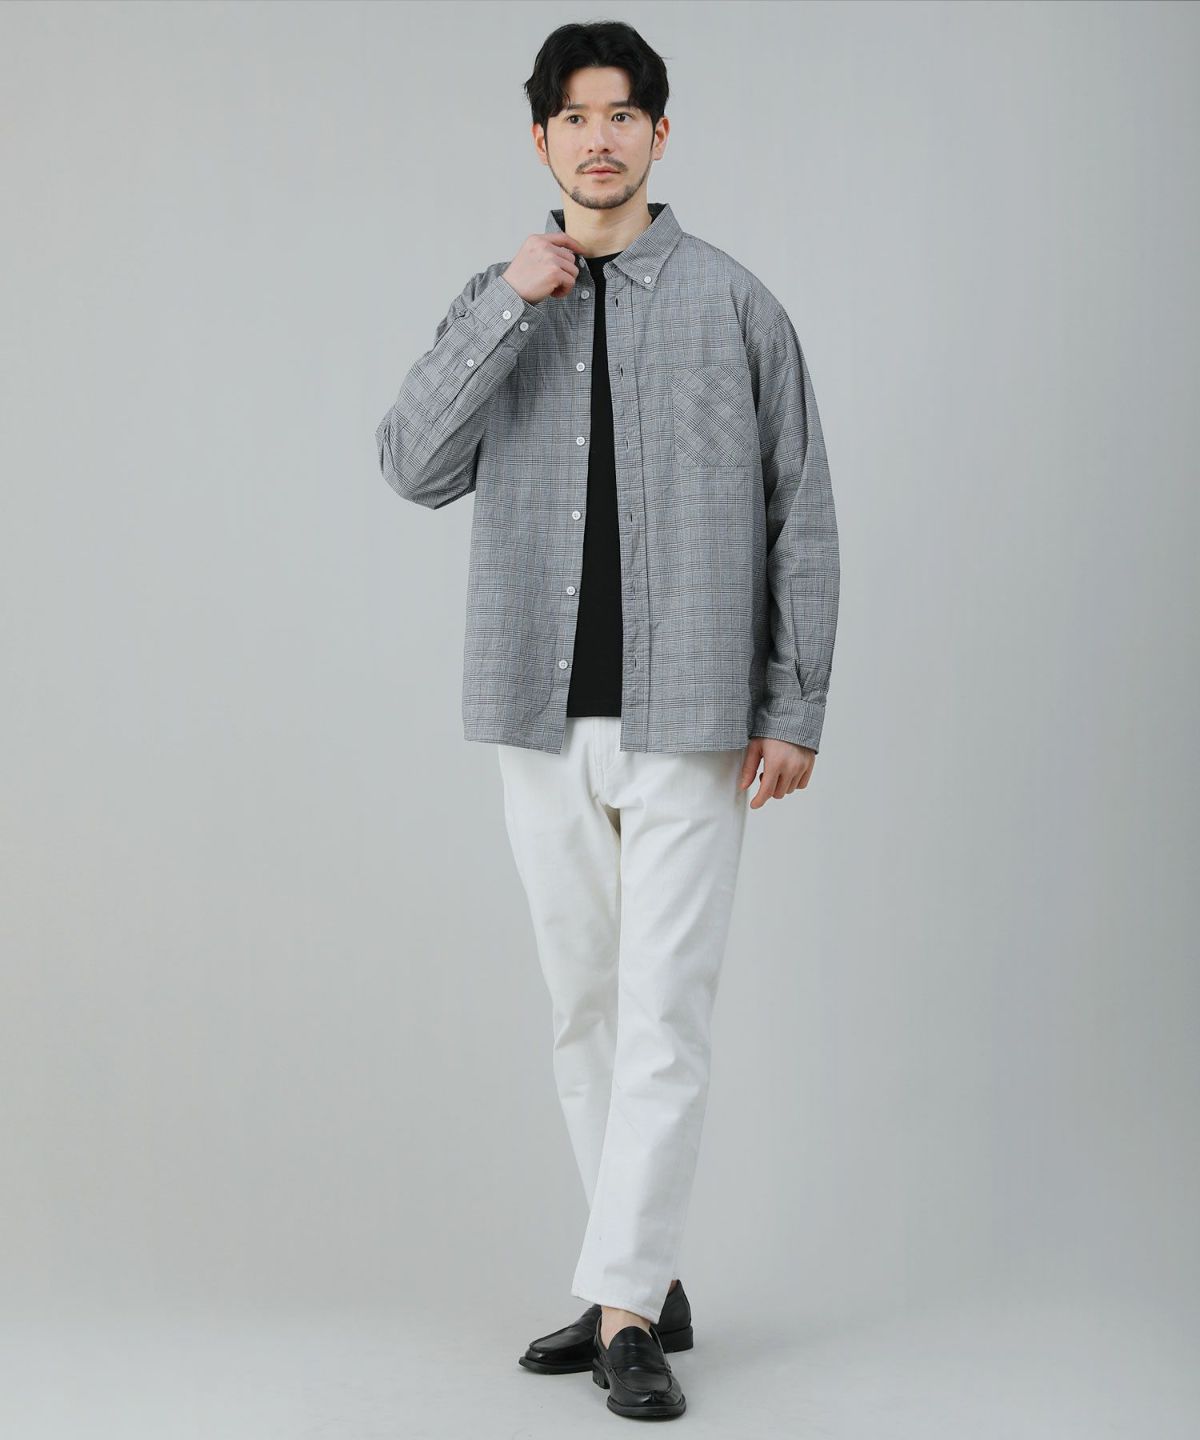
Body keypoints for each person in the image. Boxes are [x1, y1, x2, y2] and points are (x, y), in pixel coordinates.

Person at [374, 18, 839, 1423]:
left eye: (622, 114)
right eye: (574, 117)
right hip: (538, 709)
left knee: (662, 1014)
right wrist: (510, 304)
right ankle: (641, 1270)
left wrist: (794, 701)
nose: (598, 138)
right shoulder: (499, 294)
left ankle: (625, 1314)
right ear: (540, 139)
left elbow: (802, 510)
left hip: (690, 714)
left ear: (659, 133)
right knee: (582, 1008)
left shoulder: (738, 306)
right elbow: (411, 465)